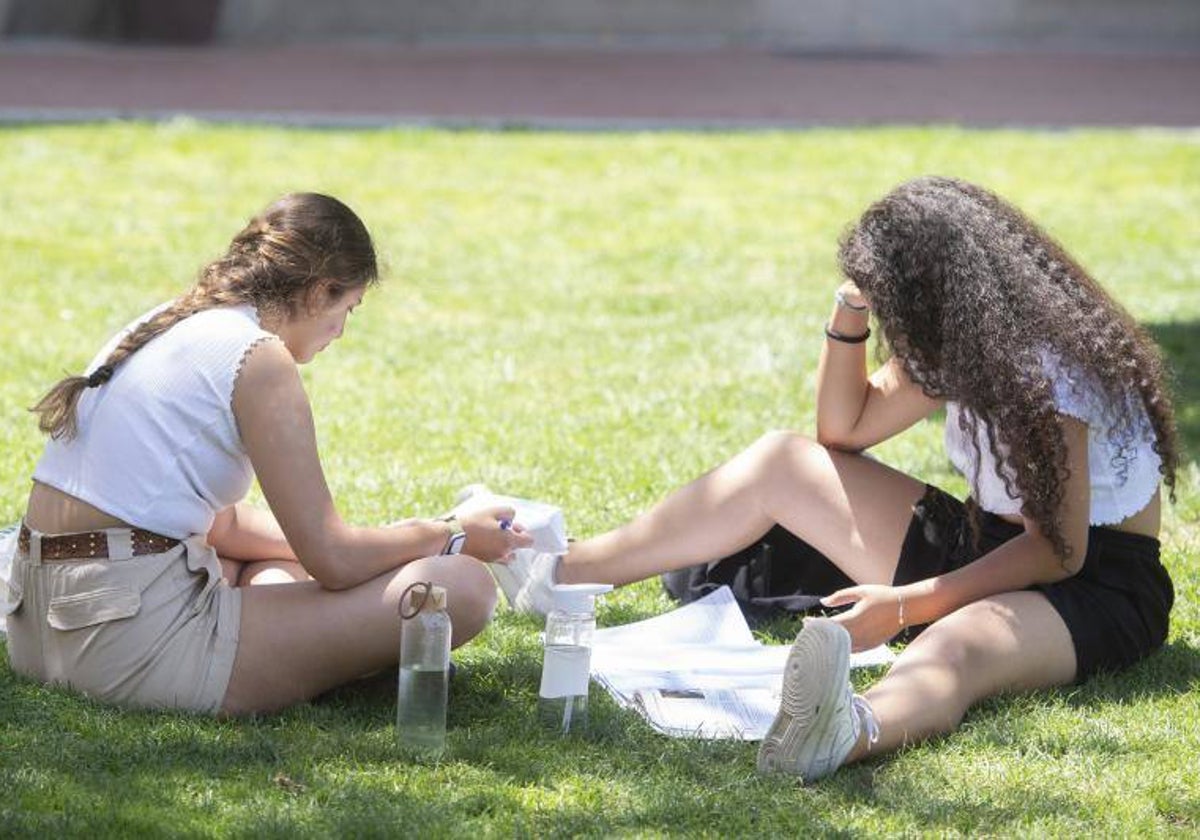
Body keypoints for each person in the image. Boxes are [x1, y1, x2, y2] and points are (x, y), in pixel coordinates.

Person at [495, 176, 1178, 782]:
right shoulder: (966, 341)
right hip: (989, 543)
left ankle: (846, 732)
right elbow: (843, 429)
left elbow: (1058, 552)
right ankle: (564, 573)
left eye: (892, 304)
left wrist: (907, 605)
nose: (892, 323)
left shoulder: (1046, 370)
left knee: (955, 647)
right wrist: (848, 309)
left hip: (1090, 585)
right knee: (779, 461)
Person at [7, 192, 531, 715]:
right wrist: (452, 535)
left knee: (267, 557)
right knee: (459, 586)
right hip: (126, 645)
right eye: (347, 308)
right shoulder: (259, 359)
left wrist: (384, 547)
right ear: (320, 290)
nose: (341, 331)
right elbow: (333, 560)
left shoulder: (171, 322)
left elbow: (224, 528)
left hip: (38, 628)